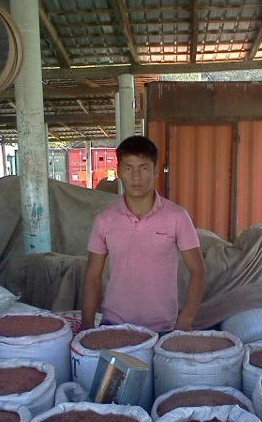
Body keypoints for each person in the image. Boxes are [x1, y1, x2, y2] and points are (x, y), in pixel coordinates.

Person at [81, 135, 205, 333]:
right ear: (119, 171)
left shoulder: (177, 217)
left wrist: (185, 320)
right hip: (114, 325)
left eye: (144, 168)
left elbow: (198, 271)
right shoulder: (105, 219)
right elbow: (92, 276)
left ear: (156, 171)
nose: (136, 177)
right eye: (129, 168)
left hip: (163, 328)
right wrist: (86, 325)